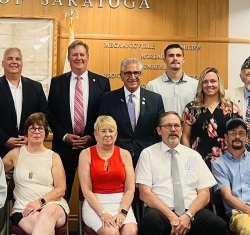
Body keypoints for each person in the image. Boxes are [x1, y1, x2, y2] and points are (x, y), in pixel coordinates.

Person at [135, 112, 225, 235]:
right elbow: (144, 193)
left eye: (177, 126)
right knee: (150, 222)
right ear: (159, 130)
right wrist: (172, 217)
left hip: (192, 212)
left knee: (217, 224)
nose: (173, 129)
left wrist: (188, 216)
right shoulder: (148, 154)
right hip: (161, 212)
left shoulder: (193, 155)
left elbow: (204, 193)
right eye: (168, 126)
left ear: (182, 130)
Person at [47, 40, 110, 200]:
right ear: (69, 58)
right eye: (75, 55)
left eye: (82, 54)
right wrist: (64, 136)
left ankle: (90, 223)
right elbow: (51, 114)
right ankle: (61, 223)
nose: (78, 58)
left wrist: (91, 136)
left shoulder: (102, 83)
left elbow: (105, 116)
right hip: (63, 148)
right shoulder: (57, 82)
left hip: (92, 147)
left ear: (88, 57)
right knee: (61, 193)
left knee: (93, 194)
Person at [3, 113, 70, 235]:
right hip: (24, 208)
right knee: (44, 227)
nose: (37, 132)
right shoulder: (15, 154)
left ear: (45, 133)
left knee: (48, 213)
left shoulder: (54, 157)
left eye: (40, 128)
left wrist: (40, 202)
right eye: (32, 128)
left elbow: (61, 189)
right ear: (26, 132)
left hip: (53, 205)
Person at [0, 47, 48, 158]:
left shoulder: (36, 87)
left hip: (29, 147)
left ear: (22, 63)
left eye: (17, 59)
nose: (14, 62)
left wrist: (30, 136)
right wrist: (5, 139)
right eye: (10, 58)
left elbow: (44, 115)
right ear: (3, 63)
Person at [99, 58, 164, 167]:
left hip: (147, 157)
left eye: (136, 73)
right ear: (121, 76)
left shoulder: (155, 100)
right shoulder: (108, 99)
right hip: (116, 156)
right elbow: (102, 128)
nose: (132, 77)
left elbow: (160, 131)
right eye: (128, 73)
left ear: (141, 75)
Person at [78, 116, 137, 235]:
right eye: (103, 131)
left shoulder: (125, 154)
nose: (108, 135)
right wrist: (102, 213)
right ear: (96, 134)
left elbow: (130, 189)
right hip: (95, 205)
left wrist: (122, 212)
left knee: (130, 231)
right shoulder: (85, 154)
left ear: (116, 134)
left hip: (121, 204)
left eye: (111, 131)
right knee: (112, 232)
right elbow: (86, 190)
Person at [182, 67, 242, 167]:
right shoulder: (191, 108)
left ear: (219, 83)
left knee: (225, 183)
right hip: (197, 158)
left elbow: (239, 135)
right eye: (205, 82)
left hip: (226, 159)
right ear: (201, 85)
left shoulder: (232, 108)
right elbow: (185, 136)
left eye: (213, 81)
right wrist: (189, 160)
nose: (209, 85)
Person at [145, 44, 198, 119]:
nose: (175, 58)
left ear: (183, 59)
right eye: (171, 55)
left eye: (178, 55)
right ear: (164, 60)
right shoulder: (153, 85)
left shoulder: (195, 85)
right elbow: (149, 115)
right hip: (162, 130)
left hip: (189, 130)